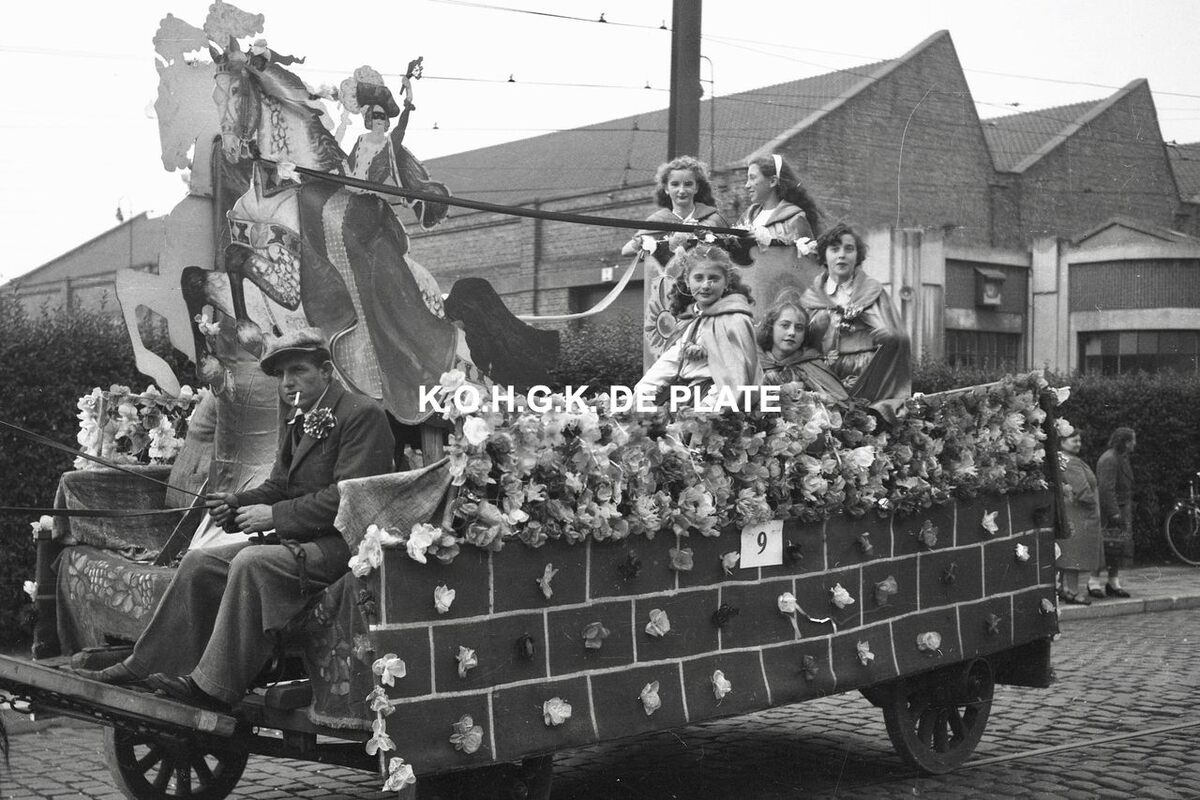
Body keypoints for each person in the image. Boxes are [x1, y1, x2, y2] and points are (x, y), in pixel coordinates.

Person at [73, 328, 395, 710]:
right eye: (281, 375)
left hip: (346, 549)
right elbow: (279, 485)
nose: (288, 382)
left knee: (250, 562)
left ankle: (212, 688)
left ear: (326, 371)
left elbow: (349, 496)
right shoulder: (300, 417)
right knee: (199, 562)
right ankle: (147, 665)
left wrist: (273, 516)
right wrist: (236, 502)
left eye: (298, 370)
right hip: (303, 541)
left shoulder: (362, 414)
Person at [623, 156, 741, 362]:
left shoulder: (713, 218)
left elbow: (732, 249)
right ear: (666, 189)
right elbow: (626, 250)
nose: (682, 190)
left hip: (708, 290)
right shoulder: (658, 220)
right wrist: (649, 243)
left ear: (697, 187)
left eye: (688, 184)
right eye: (675, 184)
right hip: (672, 297)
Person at [799, 223, 911, 412]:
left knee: (865, 419)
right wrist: (824, 322)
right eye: (834, 249)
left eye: (849, 249)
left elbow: (896, 337)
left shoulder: (873, 291)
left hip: (866, 370)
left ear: (858, 256)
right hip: (824, 373)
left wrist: (864, 322)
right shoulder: (811, 296)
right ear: (824, 256)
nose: (842, 255)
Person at [634, 246, 761, 407]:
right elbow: (671, 362)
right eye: (699, 278)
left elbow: (734, 374)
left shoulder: (734, 320)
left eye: (714, 278)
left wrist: (707, 409)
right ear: (687, 281)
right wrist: (642, 393)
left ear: (726, 283)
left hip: (715, 399)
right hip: (687, 395)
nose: (706, 285)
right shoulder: (692, 320)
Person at [737, 154, 823, 316]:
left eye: (752, 178)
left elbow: (808, 266)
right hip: (750, 295)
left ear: (772, 181)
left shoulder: (794, 218)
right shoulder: (748, 216)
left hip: (780, 300)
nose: (747, 185)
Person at [757, 293, 847, 399]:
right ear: (771, 328)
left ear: (805, 334)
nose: (792, 332)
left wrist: (809, 396)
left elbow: (839, 400)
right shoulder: (756, 363)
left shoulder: (813, 365)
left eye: (799, 328)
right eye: (785, 325)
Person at [1057, 429, 1105, 605]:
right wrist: (1094, 505)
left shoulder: (1062, 459)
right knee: (1074, 554)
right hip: (1080, 514)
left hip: (1070, 512)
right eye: (1074, 441)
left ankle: (1062, 588)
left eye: (1079, 440)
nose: (1078, 444)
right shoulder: (1071, 462)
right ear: (1062, 442)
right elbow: (1083, 490)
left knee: (1066, 552)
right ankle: (1073, 592)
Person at [1090, 427, 1136, 599]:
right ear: (1125, 442)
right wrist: (1115, 513)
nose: (1134, 444)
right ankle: (1093, 582)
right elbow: (1106, 489)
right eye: (1132, 440)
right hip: (1111, 511)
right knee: (1104, 546)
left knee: (1118, 547)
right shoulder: (1109, 459)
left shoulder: (1121, 457)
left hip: (1122, 507)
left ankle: (1113, 582)